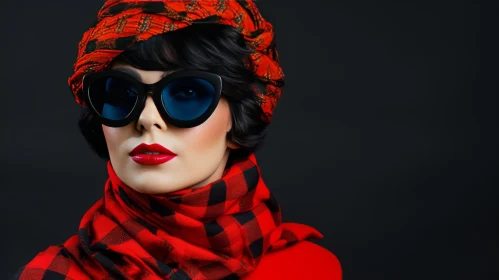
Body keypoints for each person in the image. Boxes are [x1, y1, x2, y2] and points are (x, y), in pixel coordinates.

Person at [12, 1, 341, 279]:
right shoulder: (54, 274)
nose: (145, 118)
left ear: (239, 116)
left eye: (187, 92)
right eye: (120, 93)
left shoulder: (310, 269)